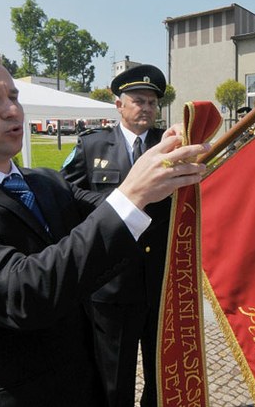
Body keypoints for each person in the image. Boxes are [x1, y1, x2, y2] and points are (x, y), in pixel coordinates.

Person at [0, 44, 207, 406]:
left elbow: (125, 221)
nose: (12, 110)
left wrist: (176, 166)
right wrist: (132, 192)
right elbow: (23, 294)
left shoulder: (46, 183)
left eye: (13, 96)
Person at [61, 64, 168, 407]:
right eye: (139, 100)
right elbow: (68, 192)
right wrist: (116, 203)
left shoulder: (168, 145)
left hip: (161, 281)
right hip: (111, 280)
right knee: (113, 378)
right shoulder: (92, 145)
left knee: (160, 373)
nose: (147, 108)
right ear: (119, 105)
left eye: (152, 102)